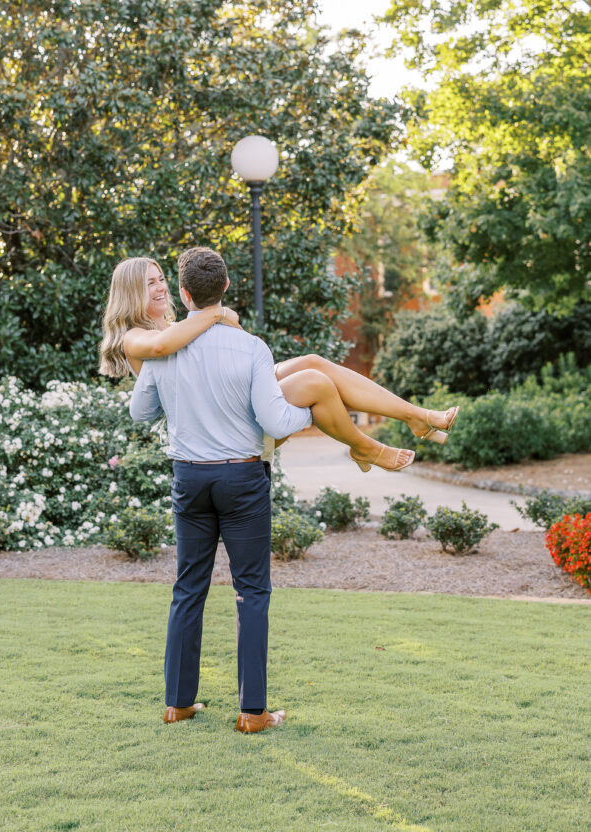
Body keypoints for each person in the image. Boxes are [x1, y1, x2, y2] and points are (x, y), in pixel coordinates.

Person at [126, 248, 313, 733]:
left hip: (189, 478)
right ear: (225, 289)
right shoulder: (250, 348)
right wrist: (310, 413)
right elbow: (275, 420)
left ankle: (178, 703)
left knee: (188, 588)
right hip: (242, 478)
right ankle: (253, 713)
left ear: (185, 295)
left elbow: (141, 413)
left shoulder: (162, 346)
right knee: (251, 591)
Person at [99, 255, 459, 473]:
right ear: (132, 292)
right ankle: (364, 445)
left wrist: (218, 317)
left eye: (162, 279)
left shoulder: (178, 326)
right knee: (313, 384)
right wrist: (218, 312)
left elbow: (226, 328)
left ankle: (416, 416)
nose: (160, 287)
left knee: (314, 362)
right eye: (150, 283)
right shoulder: (135, 337)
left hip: (230, 398)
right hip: (219, 423)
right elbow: (166, 345)